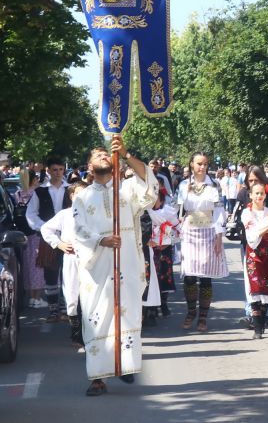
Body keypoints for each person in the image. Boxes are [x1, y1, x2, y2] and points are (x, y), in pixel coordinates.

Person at [72, 137, 158, 396]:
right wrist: (101, 240)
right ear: (89, 167)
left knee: (127, 311)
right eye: (97, 156)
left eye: (106, 154)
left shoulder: (127, 189)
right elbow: (78, 230)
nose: (103, 157)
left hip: (127, 259)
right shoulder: (82, 197)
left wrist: (127, 153)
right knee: (97, 317)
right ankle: (98, 378)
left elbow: (149, 185)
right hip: (97, 264)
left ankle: (126, 364)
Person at [177, 152, 228, 332]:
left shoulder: (214, 185)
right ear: (191, 164)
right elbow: (179, 209)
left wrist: (219, 236)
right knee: (190, 275)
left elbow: (220, 212)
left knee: (205, 276)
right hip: (190, 232)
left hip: (208, 231)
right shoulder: (184, 185)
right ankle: (191, 312)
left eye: (205, 164)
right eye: (199, 163)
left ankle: (203, 317)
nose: (202, 167)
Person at [40, 181, 88, 347]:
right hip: (72, 258)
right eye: (78, 193)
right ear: (72, 196)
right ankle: (76, 332)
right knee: (72, 295)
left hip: (92, 259)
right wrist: (58, 243)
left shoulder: (95, 213)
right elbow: (46, 229)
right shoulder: (65, 214)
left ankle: (91, 332)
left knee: (91, 296)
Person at [27, 156, 70, 322]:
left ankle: (66, 309)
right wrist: (44, 228)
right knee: (51, 274)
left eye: (60, 169)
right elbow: (31, 214)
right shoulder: (40, 191)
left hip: (69, 237)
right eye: (54, 170)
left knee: (68, 273)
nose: (58, 173)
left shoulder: (71, 189)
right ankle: (53, 310)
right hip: (48, 238)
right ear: (48, 171)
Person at [240, 182, 268, 339]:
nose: (259, 196)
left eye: (261, 193)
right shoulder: (246, 213)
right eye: (256, 193)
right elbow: (251, 236)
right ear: (250, 195)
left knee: (267, 287)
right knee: (254, 288)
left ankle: (262, 323)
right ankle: (257, 328)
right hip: (254, 254)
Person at [146, 188, 179, 317]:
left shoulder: (168, 212)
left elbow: (176, 229)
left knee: (164, 275)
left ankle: (163, 303)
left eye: (157, 199)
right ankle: (151, 308)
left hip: (164, 249)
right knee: (150, 277)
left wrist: (167, 242)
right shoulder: (144, 213)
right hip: (149, 248)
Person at [17, 170, 46, 308]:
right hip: (35, 233)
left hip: (22, 234)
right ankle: (37, 298)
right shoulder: (37, 193)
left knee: (27, 266)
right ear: (33, 179)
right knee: (38, 265)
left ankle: (30, 297)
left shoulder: (17, 194)